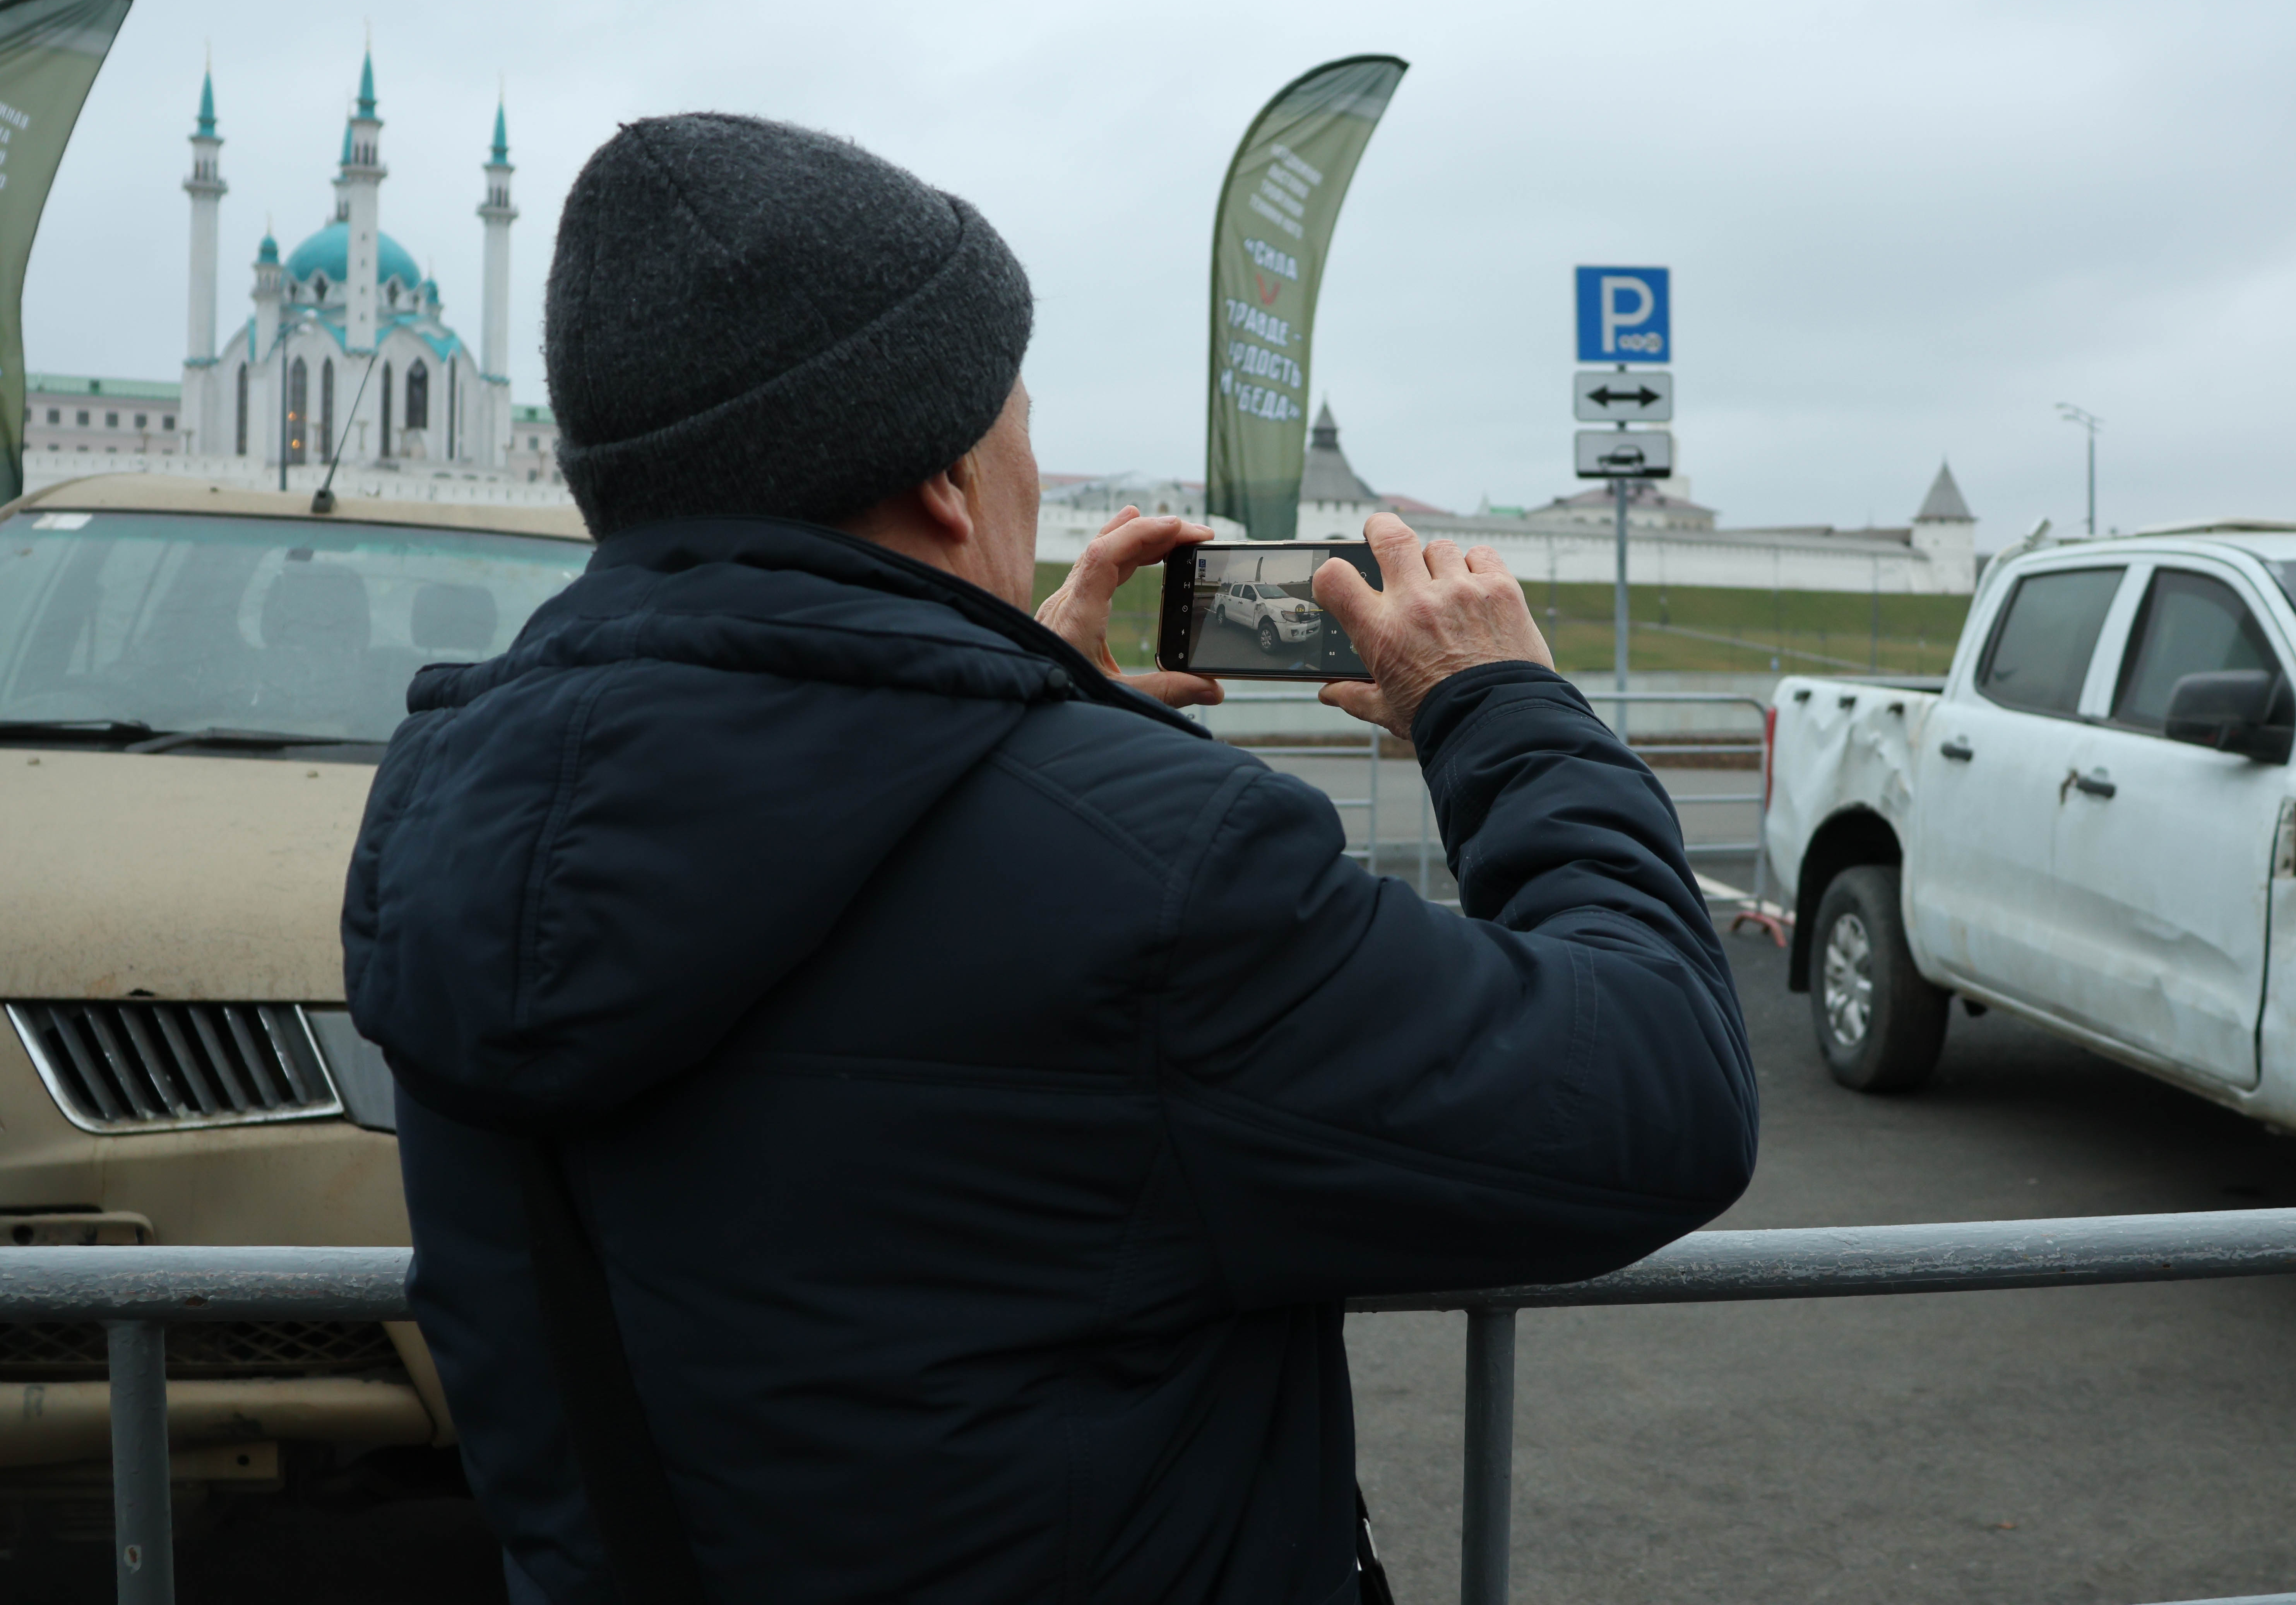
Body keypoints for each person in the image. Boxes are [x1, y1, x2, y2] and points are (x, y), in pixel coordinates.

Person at [343, 112, 1757, 1605]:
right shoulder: (1153, 864)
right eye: (1019, 414)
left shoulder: (450, 811)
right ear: (950, 480)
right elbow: (1655, 1087)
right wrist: (1506, 713)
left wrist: (1011, 714)